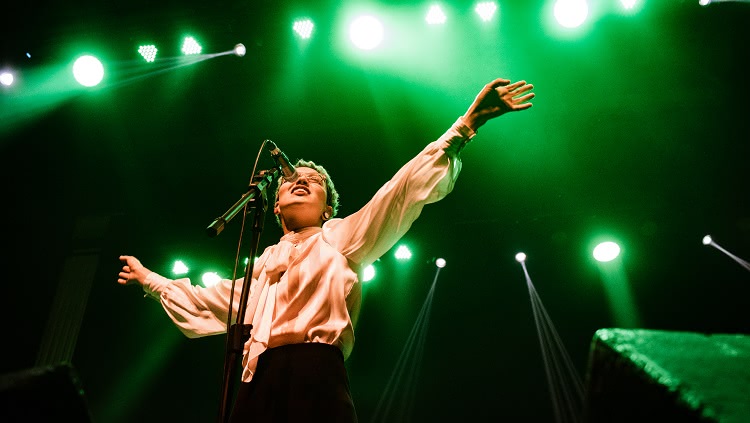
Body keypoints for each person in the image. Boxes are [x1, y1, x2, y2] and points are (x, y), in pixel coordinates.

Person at [117, 77, 535, 422]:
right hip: (256, 377)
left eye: (312, 182)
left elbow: (399, 192)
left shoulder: (340, 237)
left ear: (328, 206)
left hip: (315, 371)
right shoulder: (263, 267)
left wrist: (465, 126)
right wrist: (149, 279)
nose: (299, 180)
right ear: (275, 203)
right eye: (289, 180)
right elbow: (209, 301)